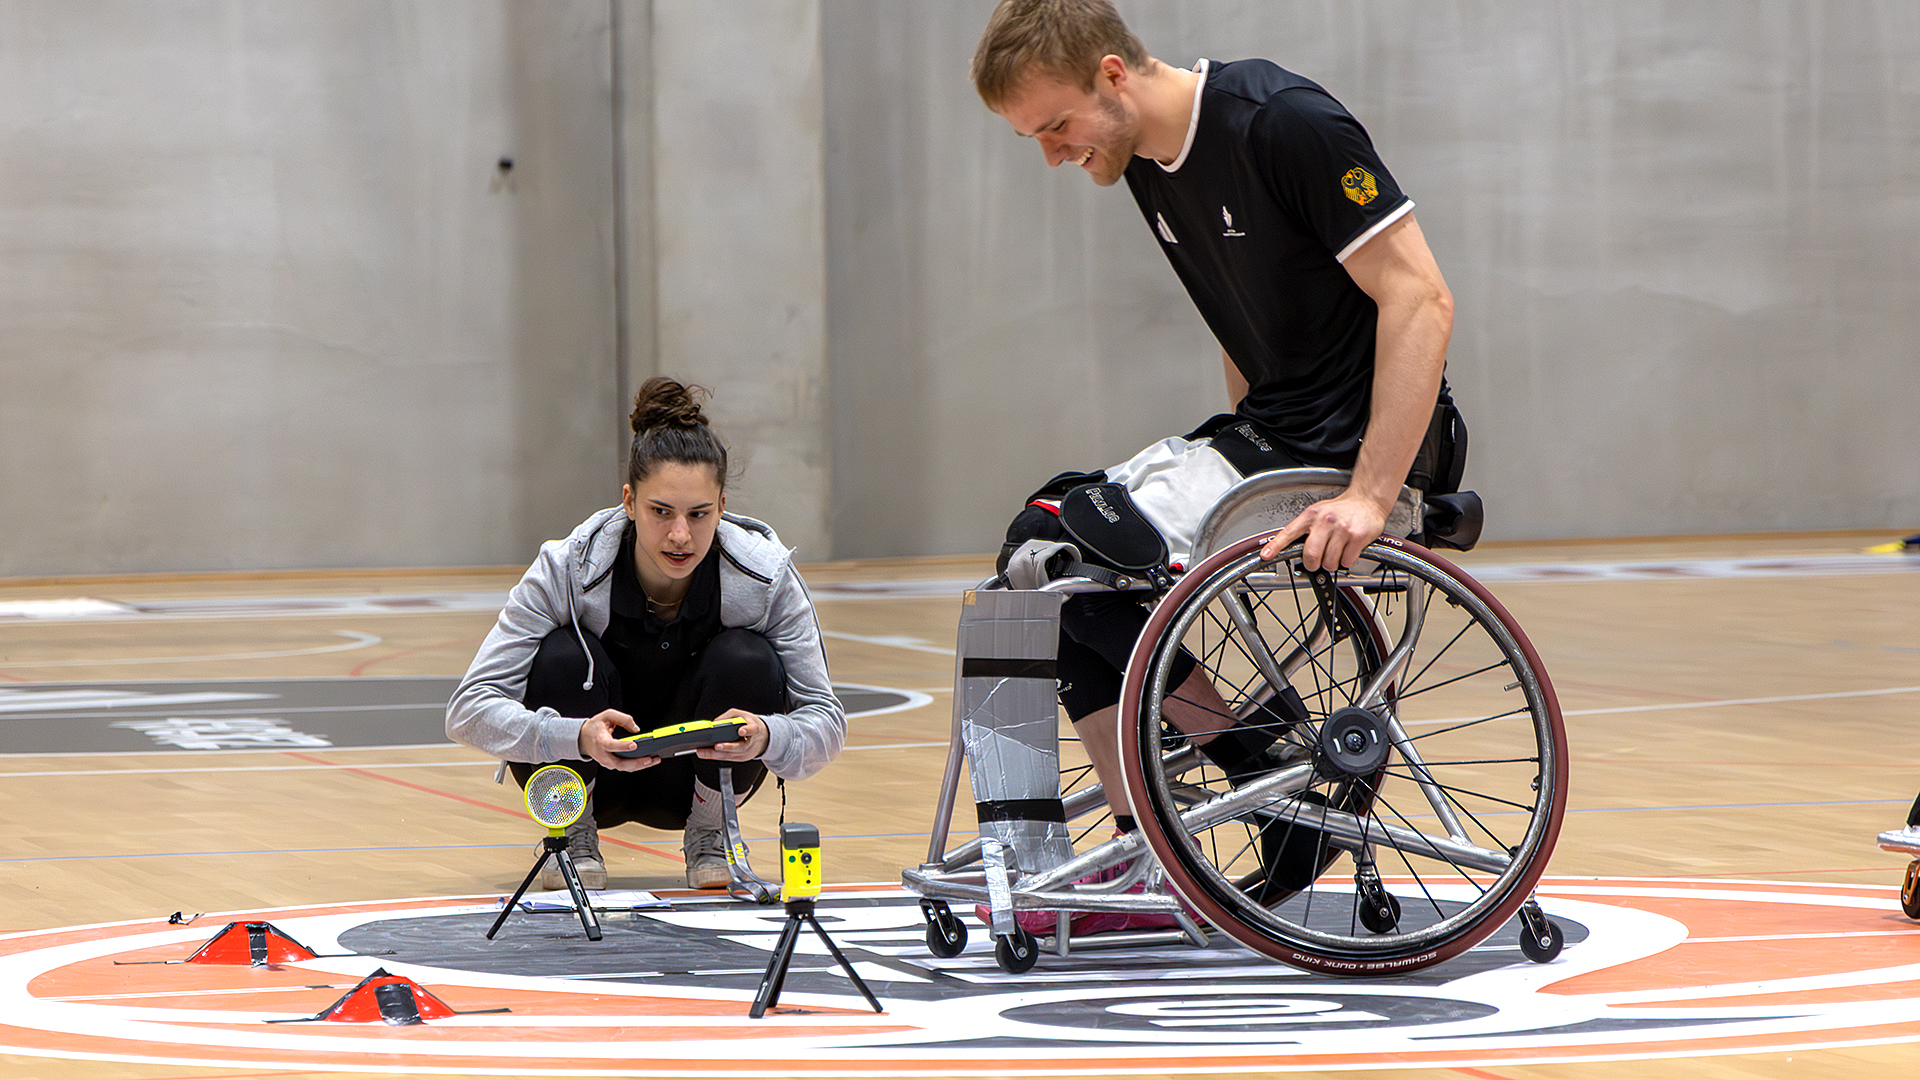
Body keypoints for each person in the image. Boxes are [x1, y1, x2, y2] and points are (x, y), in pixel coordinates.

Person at [970, 0, 1458, 931]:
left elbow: (1422, 297)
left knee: (1072, 557)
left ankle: (1264, 770)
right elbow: (1252, 331)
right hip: (1276, 432)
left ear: (1113, 74)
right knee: (1041, 556)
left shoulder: (1283, 121)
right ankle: (1149, 839)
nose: (1052, 154)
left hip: (1348, 447)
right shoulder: (1150, 164)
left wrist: (1369, 492)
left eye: (1055, 125)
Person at [447, 377, 844, 891]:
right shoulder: (566, 567)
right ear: (630, 502)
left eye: (699, 514)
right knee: (560, 656)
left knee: (748, 659)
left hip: (699, 780)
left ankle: (711, 833)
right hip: (585, 773)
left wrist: (771, 735)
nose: (680, 535)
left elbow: (826, 720)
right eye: (661, 512)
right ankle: (571, 835)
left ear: (722, 507)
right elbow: (467, 709)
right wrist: (576, 736)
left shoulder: (765, 578)